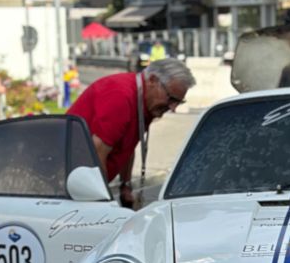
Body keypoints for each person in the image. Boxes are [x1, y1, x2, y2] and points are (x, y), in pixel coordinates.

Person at [67, 58, 195, 208]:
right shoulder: (121, 97)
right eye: (171, 99)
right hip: (68, 182)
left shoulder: (145, 102)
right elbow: (96, 152)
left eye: (179, 102)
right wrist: (103, 201)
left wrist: (125, 186)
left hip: (80, 182)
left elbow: (127, 146)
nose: (173, 108)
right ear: (153, 80)